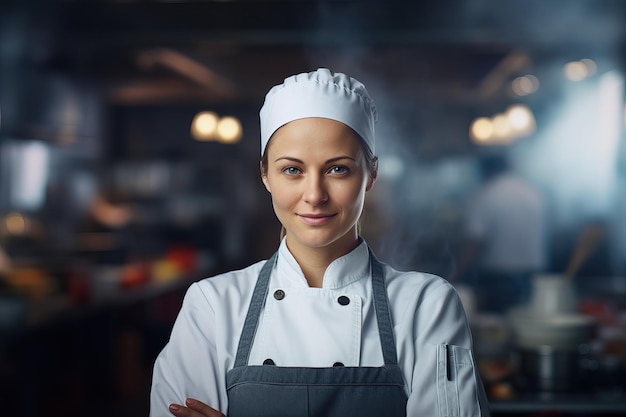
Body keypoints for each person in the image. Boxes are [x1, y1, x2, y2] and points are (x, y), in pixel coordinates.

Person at [150, 68, 490, 417]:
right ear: (265, 175)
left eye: (337, 169)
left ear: (371, 175)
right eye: (292, 170)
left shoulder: (426, 306)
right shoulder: (212, 306)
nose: (314, 195)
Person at [453, 153, 547, 314]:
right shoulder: (532, 192)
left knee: (497, 329)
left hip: (498, 280)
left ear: (485, 170)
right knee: (528, 325)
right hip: (535, 276)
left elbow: (473, 243)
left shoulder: (486, 194)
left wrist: (455, 276)